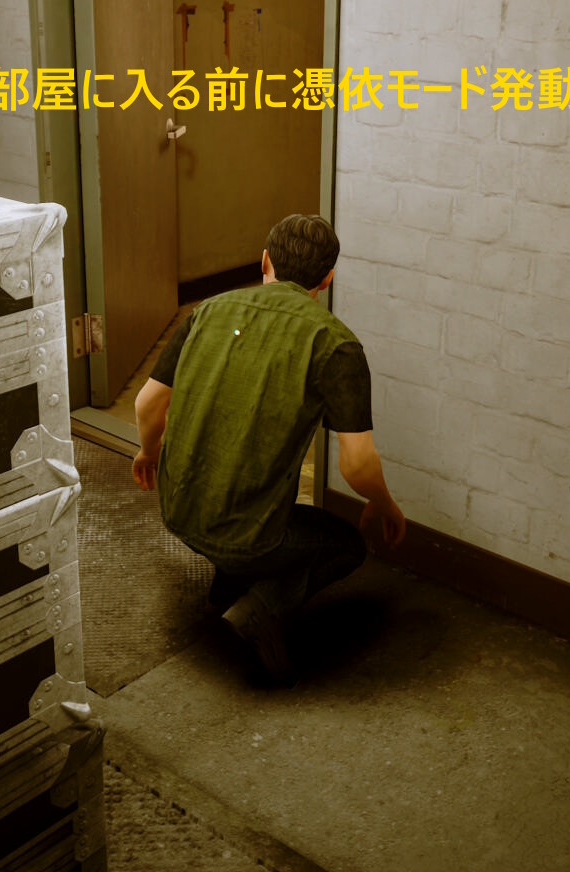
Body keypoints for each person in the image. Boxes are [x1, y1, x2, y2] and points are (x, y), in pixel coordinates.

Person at [131, 213, 407, 682]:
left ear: (265, 261)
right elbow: (358, 464)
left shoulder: (207, 311)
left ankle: (230, 584)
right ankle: (260, 607)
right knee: (345, 546)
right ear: (327, 278)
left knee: (242, 505)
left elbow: (147, 403)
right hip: (249, 534)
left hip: (176, 509)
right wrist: (384, 504)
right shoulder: (335, 344)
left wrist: (149, 452)